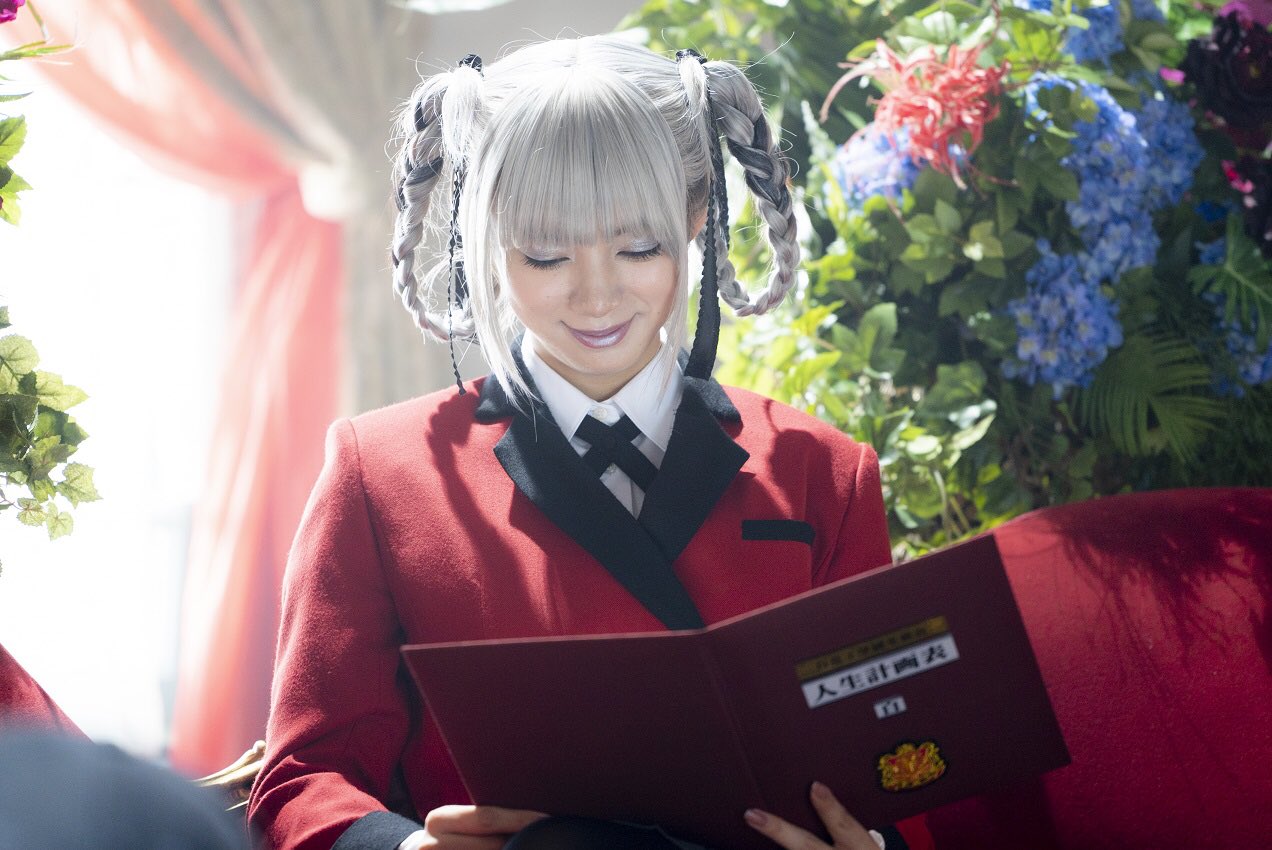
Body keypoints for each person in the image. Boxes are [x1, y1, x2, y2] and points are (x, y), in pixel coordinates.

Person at [247, 36, 933, 850]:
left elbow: (900, 770)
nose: (597, 294)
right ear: (486, 239)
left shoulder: (824, 473)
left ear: (697, 219)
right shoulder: (381, 474)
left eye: (638, 247)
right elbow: (302, 781)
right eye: (546, 256)